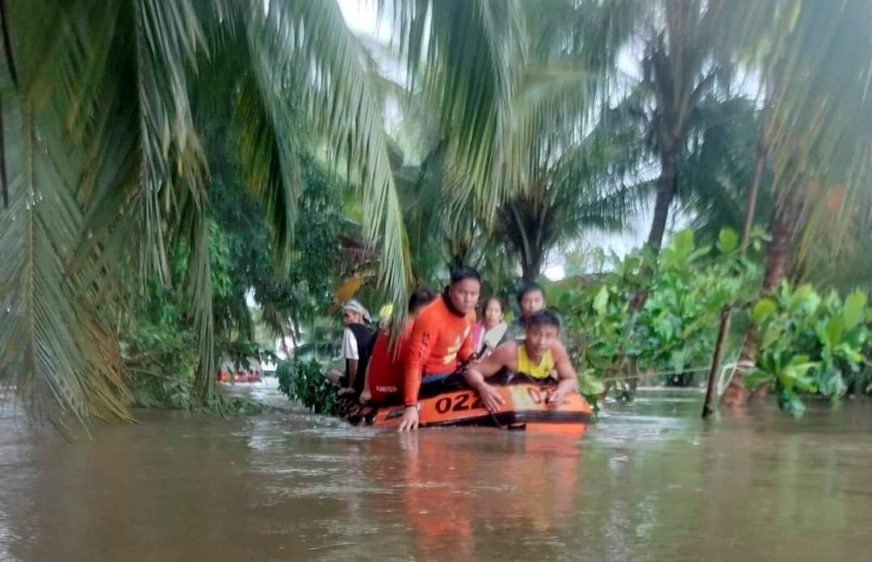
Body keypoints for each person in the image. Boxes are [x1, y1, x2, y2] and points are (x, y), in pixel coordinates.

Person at [399, 266, 481, 431]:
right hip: (428, 380)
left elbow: (464, 348)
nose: (468, 299)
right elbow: (415, 363)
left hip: (451, 375)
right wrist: (410, 406)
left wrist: (474, 360)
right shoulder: (431, 317)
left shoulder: (471, 314)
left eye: (473, 294)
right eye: (462, 293)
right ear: (450, 290)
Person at [464, 309, 577, 412]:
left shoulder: (556, 351)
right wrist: (482, 387)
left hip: (534, 401)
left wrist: (561, 392)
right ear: (527, 332)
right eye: (536, 334)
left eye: (548, 336)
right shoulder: (508, 351)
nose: (541, 342)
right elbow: (472, 371)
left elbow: (570, 378)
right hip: (503, 399)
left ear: (556, 337)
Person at [359, 287, 436, 405]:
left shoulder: (392, 325)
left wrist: (366, 390)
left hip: (377, 392)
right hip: (395, 394)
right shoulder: (415, 330)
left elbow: (371, 359)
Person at [327, 299, 374, 397]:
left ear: (358, 316)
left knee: (331, 374)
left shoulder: (350, 330)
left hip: (358, 384)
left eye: (347, 316)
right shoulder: (369, 333)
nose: (344, 320)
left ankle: (350, 388)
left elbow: (353, 361)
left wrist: (351, 387)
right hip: (368, 382)